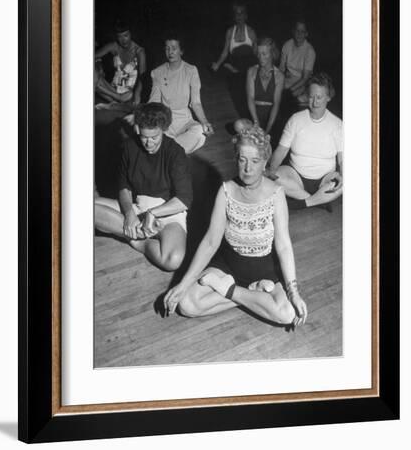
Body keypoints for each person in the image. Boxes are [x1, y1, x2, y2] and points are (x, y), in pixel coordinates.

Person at [163, 126, 307, 328]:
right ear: (236, 159)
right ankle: (253, 295)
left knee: (287, 314)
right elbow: (211, 241)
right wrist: (183, 284)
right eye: (242, 159)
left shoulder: (276, 193)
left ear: (265, 162)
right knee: (186, 304)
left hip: (264, 267)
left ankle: (230, 291)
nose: (248, 168)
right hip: (229, 264)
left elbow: (283, 244)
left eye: (255, 161)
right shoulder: (226, 190)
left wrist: (294, 292)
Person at [95, 103, 192, 271]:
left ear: (163, 129)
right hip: (138, 207)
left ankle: (138, 241)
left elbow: (184, 200)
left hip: (168, 212)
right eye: (144, 137)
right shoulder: (129, 147)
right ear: (138, 130)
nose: (148, 143)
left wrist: (152, 213)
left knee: (172, 260)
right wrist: (129, 214)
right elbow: (123, 187)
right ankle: (138, 235)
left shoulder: (175, 153)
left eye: (154, 137)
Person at [268, 72, 343, 209]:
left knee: (345, 182)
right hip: (296, 177)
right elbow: (281, 150)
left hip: (325, 178)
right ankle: (317, 201)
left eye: (319, 97)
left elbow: (342, 159)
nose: (314, 102)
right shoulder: (295, 119)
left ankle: (304, 202)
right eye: (311, 97)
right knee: (274, 176)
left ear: (328, 97)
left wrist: (343, 175)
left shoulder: (337, 124)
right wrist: (270, 170)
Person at [149, 35, 214, 154]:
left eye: (174, 48)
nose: (170, 52)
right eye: (167, 48)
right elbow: (154, 103)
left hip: (185, 121)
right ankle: (174, 151)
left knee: (199, 132)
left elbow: (196, 103)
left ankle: (167, 151)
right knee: (150, 136)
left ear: (181, 51)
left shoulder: (191, 70)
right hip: (165, 122)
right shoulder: (157, 72)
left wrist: (205, 122)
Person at [235, 38, 284, 136]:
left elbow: (276, 105)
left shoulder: (279, 76)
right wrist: (256, 124)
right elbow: (250, 99)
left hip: (271, 117)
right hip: (254, 115)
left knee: (273, 135)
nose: (260, 57)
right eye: (258, 53)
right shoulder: (251, 71)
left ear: (272, 54)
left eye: (264, 54)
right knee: (238, 125)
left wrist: (268, 130)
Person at [95, 20, 146, 112]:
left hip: (129, 94)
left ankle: (116, 104)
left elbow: (142, 76)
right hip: (111, 90)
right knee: (92, 74)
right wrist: (99, 66)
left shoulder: (139, 51)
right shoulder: (114, 46)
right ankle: (118, 104)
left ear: (131, 34)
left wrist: (137, 94)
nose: (123, 40)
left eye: (126, 35)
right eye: (119, 36)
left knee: (129, 96)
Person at [211, 2, 258, 74]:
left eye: (241, 13)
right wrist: (218, 64)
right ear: (234, 17)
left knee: (247, 53)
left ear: (245, 16)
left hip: (248, 65)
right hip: (235, 62)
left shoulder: (251, 32)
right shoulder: (230, 31)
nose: (239, 16)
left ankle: (236, 70)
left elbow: (256, 53)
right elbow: (225, 52)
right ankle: (234, 70)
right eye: (237, 13)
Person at [279, 19, 316, 100]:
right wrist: (278, 83)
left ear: (306, 34)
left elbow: (305, 78)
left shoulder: (310, 51)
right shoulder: (287, 45)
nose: (299, 34)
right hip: (288, 79)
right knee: (274, 91)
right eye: (297, 30)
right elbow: (281, 69)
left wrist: (288, 91)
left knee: (291, 97)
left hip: (303, 82)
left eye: (302, 31)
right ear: (293, 31)